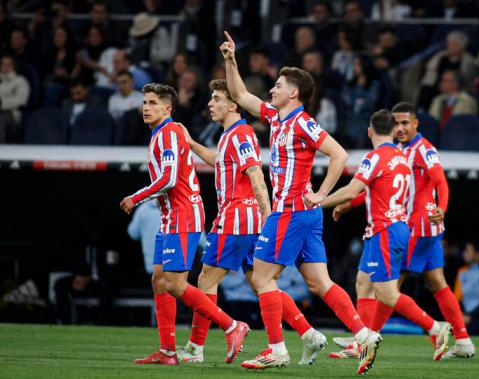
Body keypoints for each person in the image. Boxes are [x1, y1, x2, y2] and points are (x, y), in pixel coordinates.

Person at [220, 31, 381, 375]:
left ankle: (276, 349)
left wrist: (323, 193)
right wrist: (231, 60)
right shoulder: (277, 118)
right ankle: (364, 334)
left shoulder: (302, 122)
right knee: (318, 283)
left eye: (278, 85)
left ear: (293, 93)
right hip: (304, 215)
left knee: (262, 279)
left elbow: (339, 154)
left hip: (290, 211)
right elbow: (240, 94)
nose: (272, 89)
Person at [177, 78, 327, 365]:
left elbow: (256, 173)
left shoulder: (241, 134)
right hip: (250, 220)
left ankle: (198, 348)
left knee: (206, 279)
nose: (210, 103)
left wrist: (268, 211)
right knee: (262, 284)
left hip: (236, 217)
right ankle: (307, 333)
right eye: (211, 98)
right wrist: (193, 144)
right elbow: (220, 160)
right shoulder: (230, 135)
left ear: (233, 104)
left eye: (217, 99)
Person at [119, 83, 249, 366]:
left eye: (153, 103)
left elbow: (168, 178)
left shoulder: (168, 134)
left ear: (168, 108)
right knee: (158, 279)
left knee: (176, 284)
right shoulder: (160, 134)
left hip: (183, 214)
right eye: (144, 102)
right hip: (169, 217)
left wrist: (136, 196)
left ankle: (231, 326)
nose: (146, 107)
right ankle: (167, 352)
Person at [331, 103, 472, 359]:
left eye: (405, 123)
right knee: (435, 282)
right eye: (396, 124)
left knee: (389, 288)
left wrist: (442, 207)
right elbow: (378, 189)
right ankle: (462, 340)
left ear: (416, 123)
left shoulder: (423, 149)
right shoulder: (398, 153)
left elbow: (440, 180)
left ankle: (369, 338)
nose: (400, 128)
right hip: (412, 226)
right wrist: (349, 204)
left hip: (417, 226)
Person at [127, 199, 160, 274]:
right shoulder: (175, 207)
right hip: (174, 262)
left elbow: (133, 233)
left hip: (152, 263)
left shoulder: (143, 209)